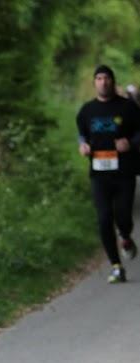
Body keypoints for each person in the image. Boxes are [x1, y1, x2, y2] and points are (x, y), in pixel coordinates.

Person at [76, 64, 140, 283]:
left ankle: (125, 236)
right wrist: (83, 145)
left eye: (106, 78)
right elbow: (82, 134)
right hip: (99, 174)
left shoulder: (128, 107)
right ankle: (116, 266)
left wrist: (130, 143)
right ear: (95, 83)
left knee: (123, 217)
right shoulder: (87, 110)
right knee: (103, 219)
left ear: (113, 81)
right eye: (99, 78)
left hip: (124, 173)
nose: (103, 82)